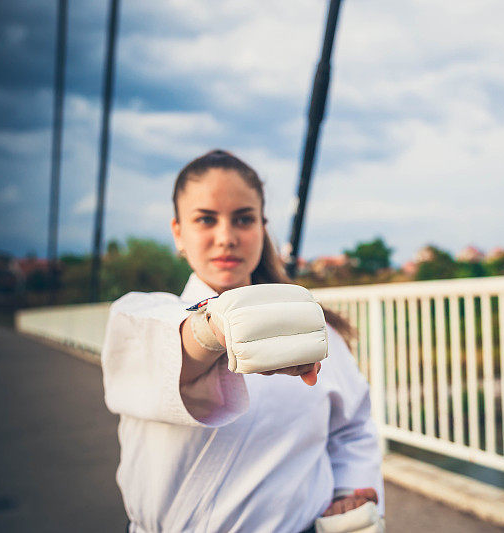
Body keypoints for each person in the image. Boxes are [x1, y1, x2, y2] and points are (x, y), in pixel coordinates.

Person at [101, 149, 384, 532]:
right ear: (178, 233)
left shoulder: (315, 331)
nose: (226, 237)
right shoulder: (141, 318)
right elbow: (173, 342)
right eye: (205, 219)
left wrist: (350, 494)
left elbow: (352, 429)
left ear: (262, 228)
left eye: (243, 219)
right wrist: (213, 328)